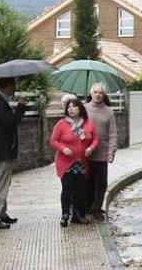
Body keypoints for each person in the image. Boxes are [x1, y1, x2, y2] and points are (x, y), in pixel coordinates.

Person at [0, 77, 27, 230]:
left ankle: (1, 214)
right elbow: (11, 122)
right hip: (2, 152)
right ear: (8, 86)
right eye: (14, 85)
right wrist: (21, 106)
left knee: (3, 183)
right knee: (0, 185)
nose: (15, 88)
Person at [49, 95, 98, 227]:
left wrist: (91, 148)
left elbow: (95, 139)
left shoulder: (88, 123)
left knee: (80, 190)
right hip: (66, 163)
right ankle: (65, 215)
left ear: (80, 108)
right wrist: (63, 148)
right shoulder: (62, 124)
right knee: (67, 189)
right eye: (68, 107)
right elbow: (53, 141)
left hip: (82, 162)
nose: (71, 109)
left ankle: (78, 215)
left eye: (74, 107)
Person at [85, 83, 118, 221]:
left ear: (103, 95)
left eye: (101, 93)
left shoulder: (108, 111)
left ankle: (97, 208)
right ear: (91, 93)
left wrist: (111, 151)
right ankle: (88, 207)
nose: (98, 95)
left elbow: (113, 134)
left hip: (102, 153)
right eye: (95, 92)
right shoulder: (84, 109)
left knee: (101, 183)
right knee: (88, 182)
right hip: (86, 153)